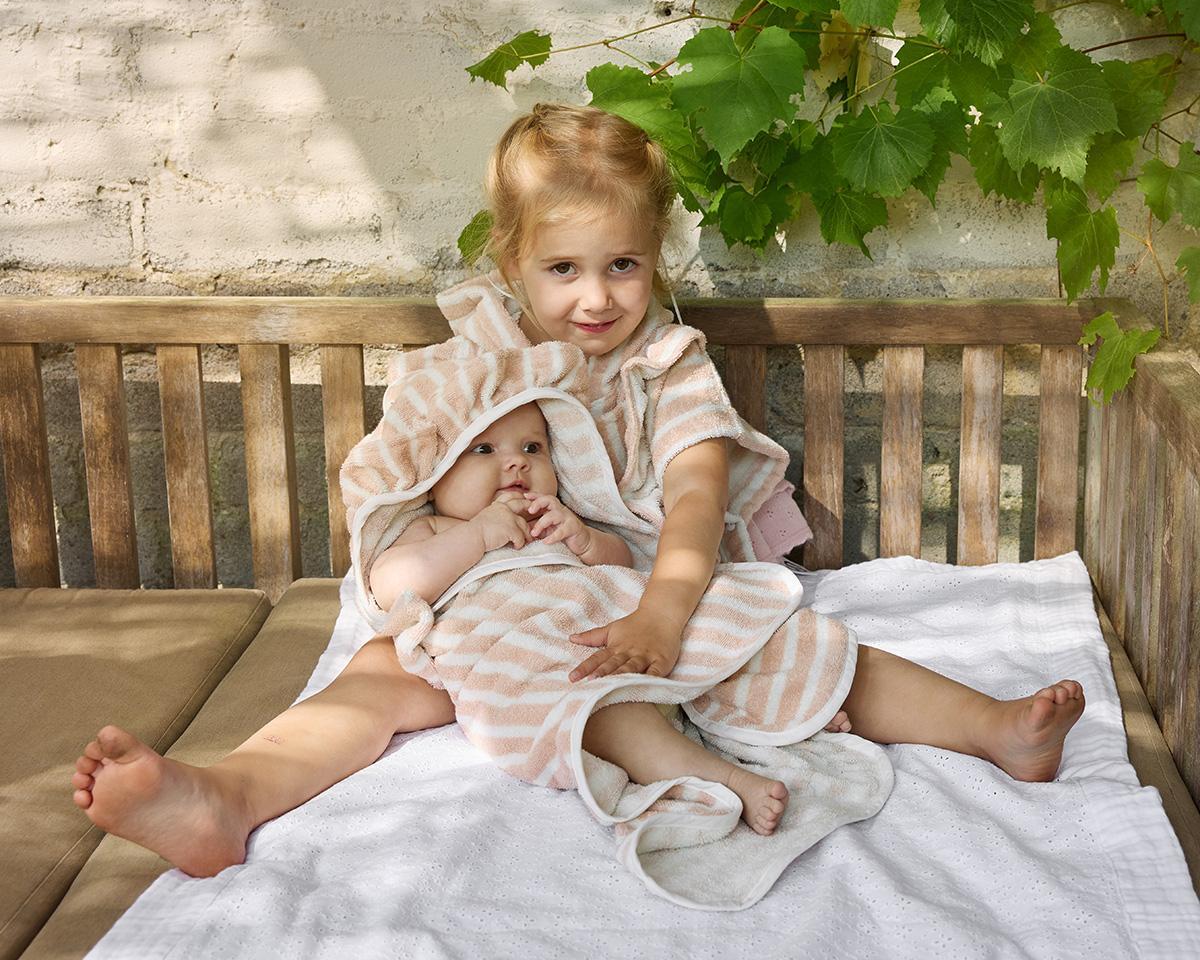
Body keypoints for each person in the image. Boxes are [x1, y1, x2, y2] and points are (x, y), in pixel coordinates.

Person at [71, 102, 1085, 878]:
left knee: (801, 650)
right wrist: (455, 549)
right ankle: (226, 797)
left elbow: (695, 499)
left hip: (634, 587)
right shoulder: (477, 366)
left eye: (623, 265)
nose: (596, 297)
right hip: (494, 603)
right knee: (377, 682)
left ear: (656, 258)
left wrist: (662, 611)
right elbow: (406, 480)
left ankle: (993, 728)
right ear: (513, 260)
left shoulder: (666, 370)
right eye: (563, 267)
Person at [363, 392, 801, 837]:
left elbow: (623, 564)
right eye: (484, 449)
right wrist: (476, 535)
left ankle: (796, 698)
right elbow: (391, 587)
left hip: (612, 627)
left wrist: (586, 540)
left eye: (532, 448)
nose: (517, 462)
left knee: (720, 622)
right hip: (532, 655)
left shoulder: (551, 518)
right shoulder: (435, 528)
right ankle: (723, 778)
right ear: (435, 475)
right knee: (601, 713)